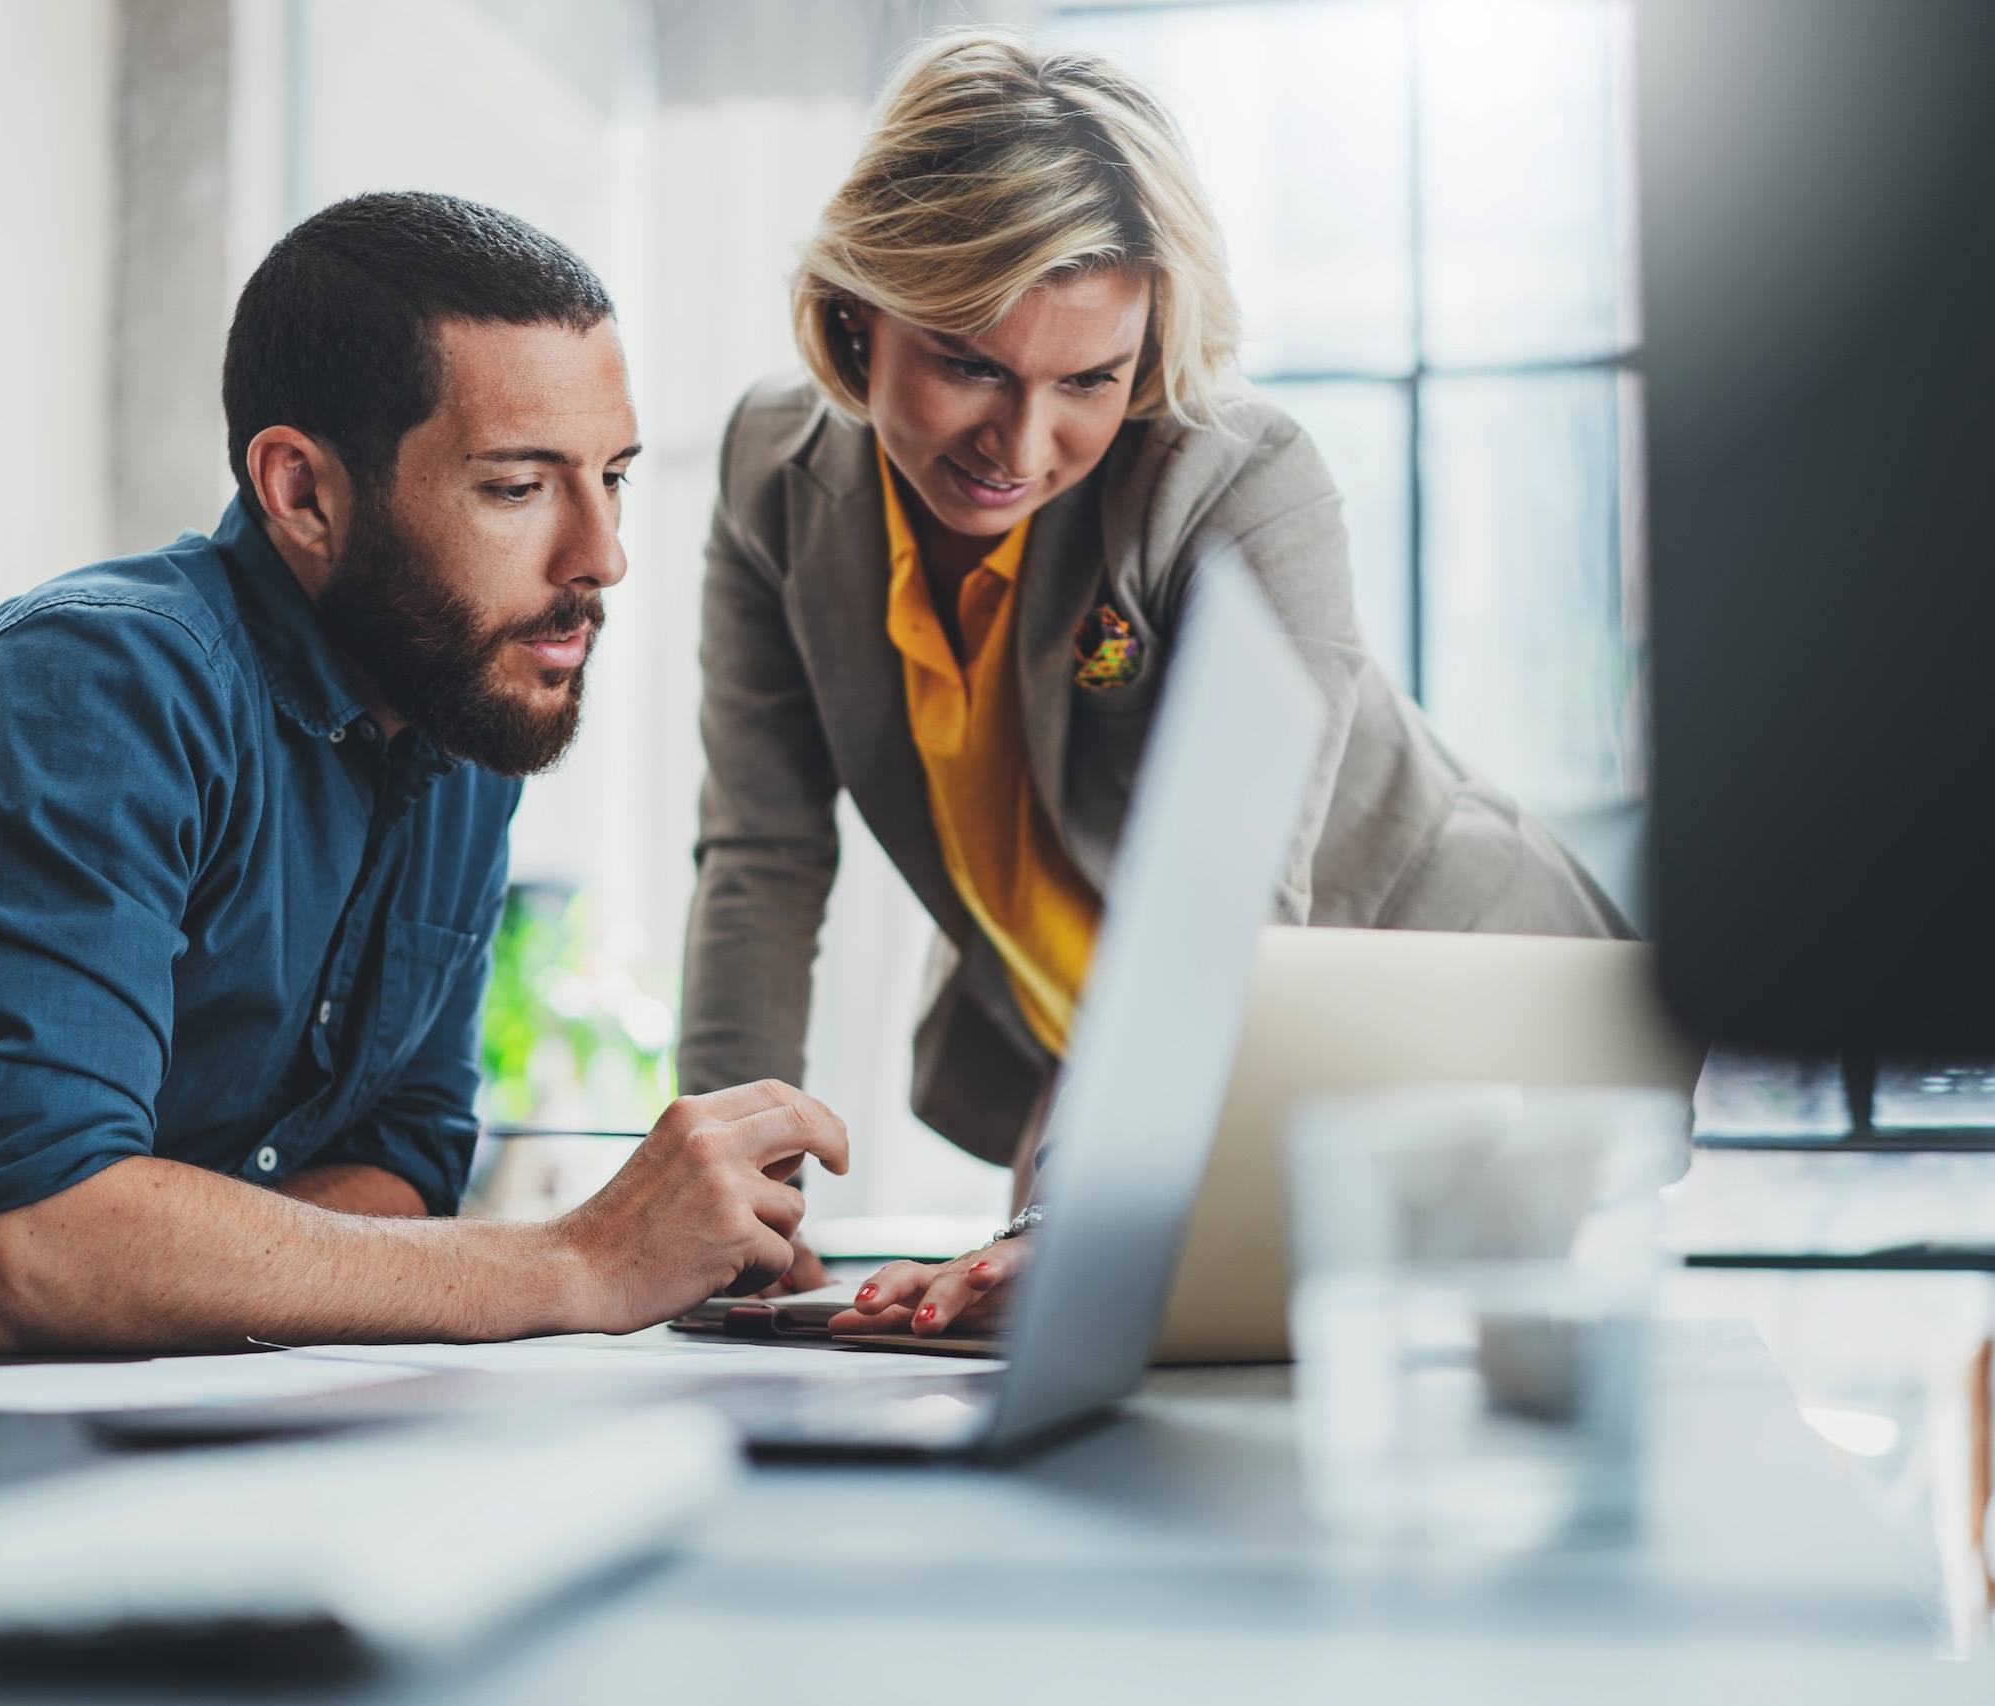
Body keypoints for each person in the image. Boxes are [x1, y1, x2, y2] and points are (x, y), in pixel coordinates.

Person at [0, 191, 844, 1377]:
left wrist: (129, 1269)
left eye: (612, 475)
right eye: (518, 488)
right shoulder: (90, 683)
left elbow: (398, 1160)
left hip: (112, 1410)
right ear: (302, 490)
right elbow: (32, 1250)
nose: (602, 555)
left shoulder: (460, 714)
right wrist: (575, 1260)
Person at [672, 31, 1622, 1340]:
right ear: (858, 310)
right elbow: (760, 860)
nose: (1021, 443)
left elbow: (1226, 921)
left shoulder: (1235, 483)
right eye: (969, 365)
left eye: (1090, 381)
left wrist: (1072, 1217)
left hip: (1454, 1035)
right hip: (1119, 1066)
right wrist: (727, 1201)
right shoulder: (772, 477)